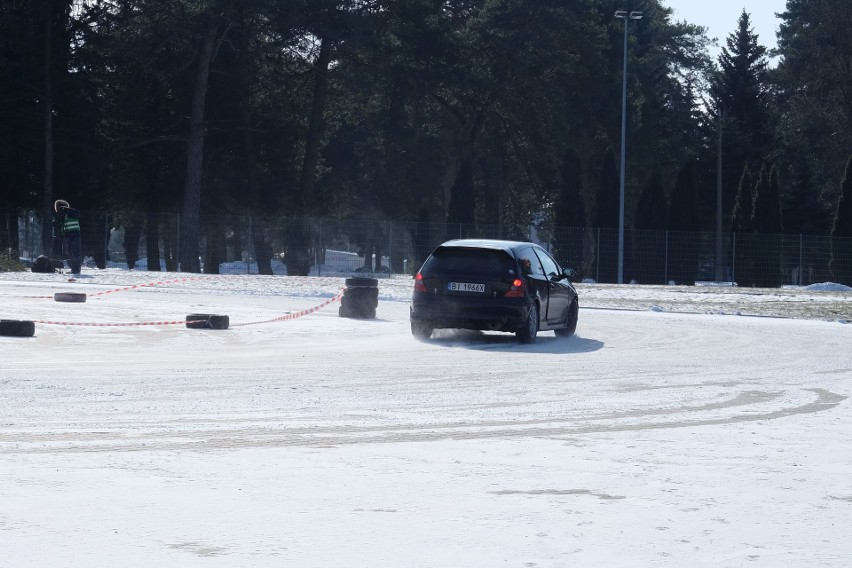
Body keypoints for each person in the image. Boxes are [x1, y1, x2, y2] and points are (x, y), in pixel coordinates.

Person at [53, 199, 83, 275]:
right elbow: (60, 224)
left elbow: (78, 214)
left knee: (75, 252)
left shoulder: (69, 212)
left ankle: (76, 270)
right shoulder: (62, 214)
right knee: (71, 252)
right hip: (69, 235)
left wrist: (66, 210)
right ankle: (74, 269)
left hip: (74, 234)